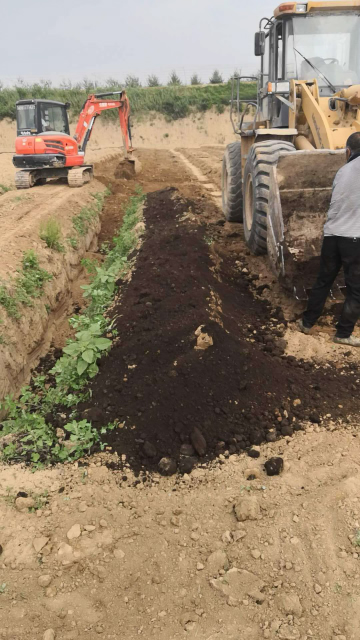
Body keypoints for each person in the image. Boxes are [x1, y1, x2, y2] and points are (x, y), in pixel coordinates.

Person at [298, 132, 360, 347]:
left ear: (348, 151)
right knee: (356, 290)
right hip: (354, 239)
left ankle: (306, 323)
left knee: (323, 281)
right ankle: (343, 334)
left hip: (332, 236)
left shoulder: (341, 171)